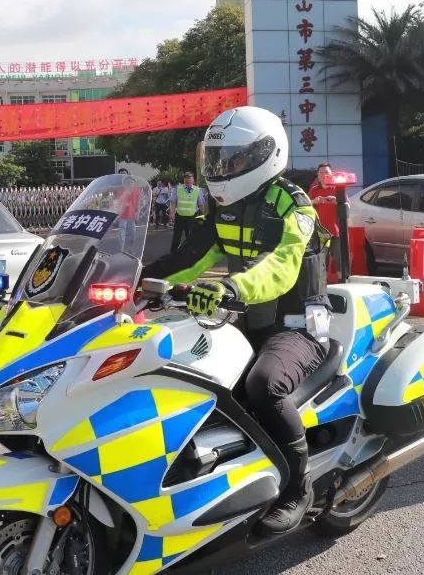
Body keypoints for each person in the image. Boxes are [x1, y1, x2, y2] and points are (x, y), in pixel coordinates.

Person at [142, 106, 330, 534]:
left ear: (267, 154)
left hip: (296, 323)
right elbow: (189, 257)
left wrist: (231, 289)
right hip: (245, 316)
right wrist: (135, 279)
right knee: (186, 371)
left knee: (263, 385)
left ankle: (299, 489)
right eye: (217, 158)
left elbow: (280, 266)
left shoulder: (295, 207)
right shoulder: (224, 208)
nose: (223, 168)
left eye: (234, 159)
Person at [308, 162, 342, 274]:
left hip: (335, 232)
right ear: (317, 175)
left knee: (339, 260)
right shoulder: (314, 190)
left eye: (326, 172)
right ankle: (321, 285)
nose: (323, 175)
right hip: (319, 233)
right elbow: (305, 206)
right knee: (321, 261)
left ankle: (343, 281)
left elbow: (347, 205)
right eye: (321, 172)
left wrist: (336, 201)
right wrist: (315, 201)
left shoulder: (338, 188)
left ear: (331, 174)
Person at [169, 171, 206, 252]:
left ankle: (189, 254)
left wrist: (205, 215)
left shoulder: (198, 190)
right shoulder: (178, 189)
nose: (188, 183)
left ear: (193, 181)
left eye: (189, 181)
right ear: (183, 180)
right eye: (186, 181)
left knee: (190, 237)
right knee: (176, 237)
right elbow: (173, 202)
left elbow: (201, 205)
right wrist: (172, 213)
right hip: (180, 216)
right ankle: (173, 254)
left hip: (192, 217)